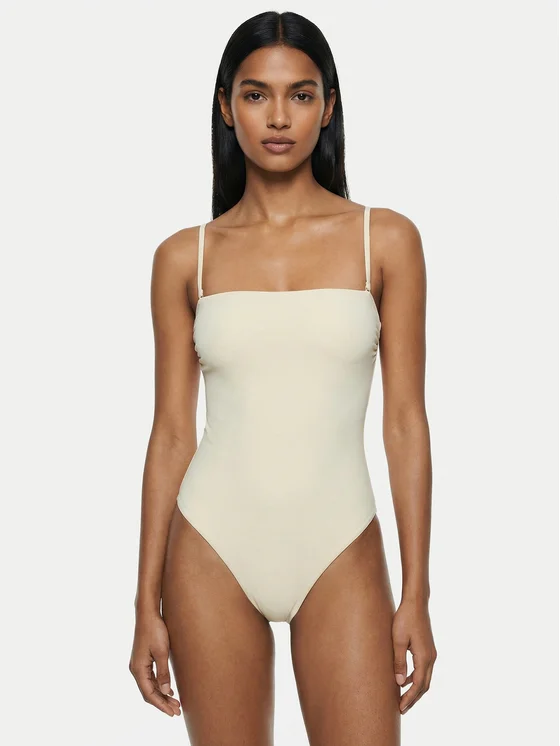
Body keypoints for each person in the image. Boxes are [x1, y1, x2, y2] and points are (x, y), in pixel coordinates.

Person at [129, 10, 436, 745]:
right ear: (225, 106)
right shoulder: (184, 258)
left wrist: (417, 593)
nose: (277, 117)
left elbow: (405, 423)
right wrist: (144, 602)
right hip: (210, 546)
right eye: (255, 94)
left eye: (300, 95)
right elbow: (171, 434)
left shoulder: (386, 240)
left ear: (328, 108)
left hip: (340, 543)